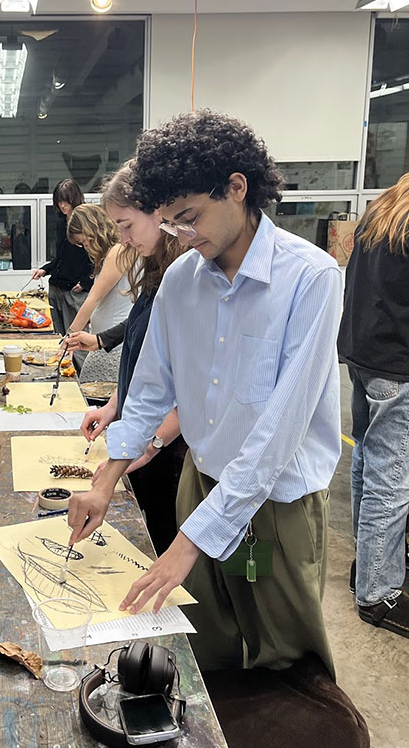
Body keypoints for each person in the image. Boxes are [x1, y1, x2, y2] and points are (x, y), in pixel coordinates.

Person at [68, 110, 342, 678]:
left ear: (237, 188)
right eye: (170, 224)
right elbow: (147, 392)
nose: (182, 237)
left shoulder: (309, 278)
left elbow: (279, 431)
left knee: (282, 657)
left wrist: (192, 539)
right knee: (207, 640)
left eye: (189, 217)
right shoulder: (181, 281)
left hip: (274, 506)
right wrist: (105, 480)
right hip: (202, 479)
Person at [65, 162, 186, 555]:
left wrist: (148, 444)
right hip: (144, 434)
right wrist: (116, 404)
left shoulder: (185, 276)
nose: (121, 238)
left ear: (159, 215)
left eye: (126, 225)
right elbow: (143, 357)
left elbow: (185, 386)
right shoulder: (155, 272)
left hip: (169, 445)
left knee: (162, 537)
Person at [338, 174, 409, 638]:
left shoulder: (382, 213)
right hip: (397, 366)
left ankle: (367, 566)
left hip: (363, 357)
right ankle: (379, 593)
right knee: (392, 479)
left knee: (366, 461)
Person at [65, 203, 131, 382]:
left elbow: (94, 297)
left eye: (84, 241)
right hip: (103, 343)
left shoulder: (118, 251)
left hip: (114, 347)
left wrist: (68, 338)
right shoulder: (110, 253)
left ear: (93, 229)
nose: (84, 246)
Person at [31, 179, 92, 336]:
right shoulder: (60, 223)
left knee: (75, 340)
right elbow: (61, 257)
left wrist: (86, 282)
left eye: (66, 201)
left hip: (74, 290)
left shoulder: (87, 221)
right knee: (57, 337)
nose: (62, 205)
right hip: (56, 286)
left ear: (74, 199)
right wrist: (45, 270)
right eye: (59, 201)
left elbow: (97, 257)